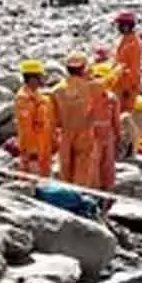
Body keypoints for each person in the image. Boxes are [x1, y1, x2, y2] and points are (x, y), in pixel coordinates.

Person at [50, 51, 100, 188]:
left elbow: (53, 116)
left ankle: (65, 193)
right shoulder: (92, 87)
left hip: (65, 131)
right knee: (83, 166)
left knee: (65, 165)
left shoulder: (57, 90)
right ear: (83, 68)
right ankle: (79, 194)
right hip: (84, 131)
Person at [15, 60, 53, 176]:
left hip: (42, 147)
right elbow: (25, 127)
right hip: (33, 150)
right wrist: (31, 150)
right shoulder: (24, 99)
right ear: (32, 79)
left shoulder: (37, 95)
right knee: (33, 179)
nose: (42, 79)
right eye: (40, 77)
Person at [89, 63, 121, 191]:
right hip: (94, 134)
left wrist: (117, 136)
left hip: (106, 135)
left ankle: (106, 192)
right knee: (95, 165)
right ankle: (96, 192)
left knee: (106, 165)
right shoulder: (90, 96)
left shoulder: (112, 98)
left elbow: (116, 120)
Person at [113, 10, 142, 116]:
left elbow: (134, 68)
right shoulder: (124, 40)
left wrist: (127, 87)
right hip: (119, 83)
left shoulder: (133, 43)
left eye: (120, 24)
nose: (118, 27)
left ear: (127, 25)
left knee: (125, 114)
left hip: (127, 86)